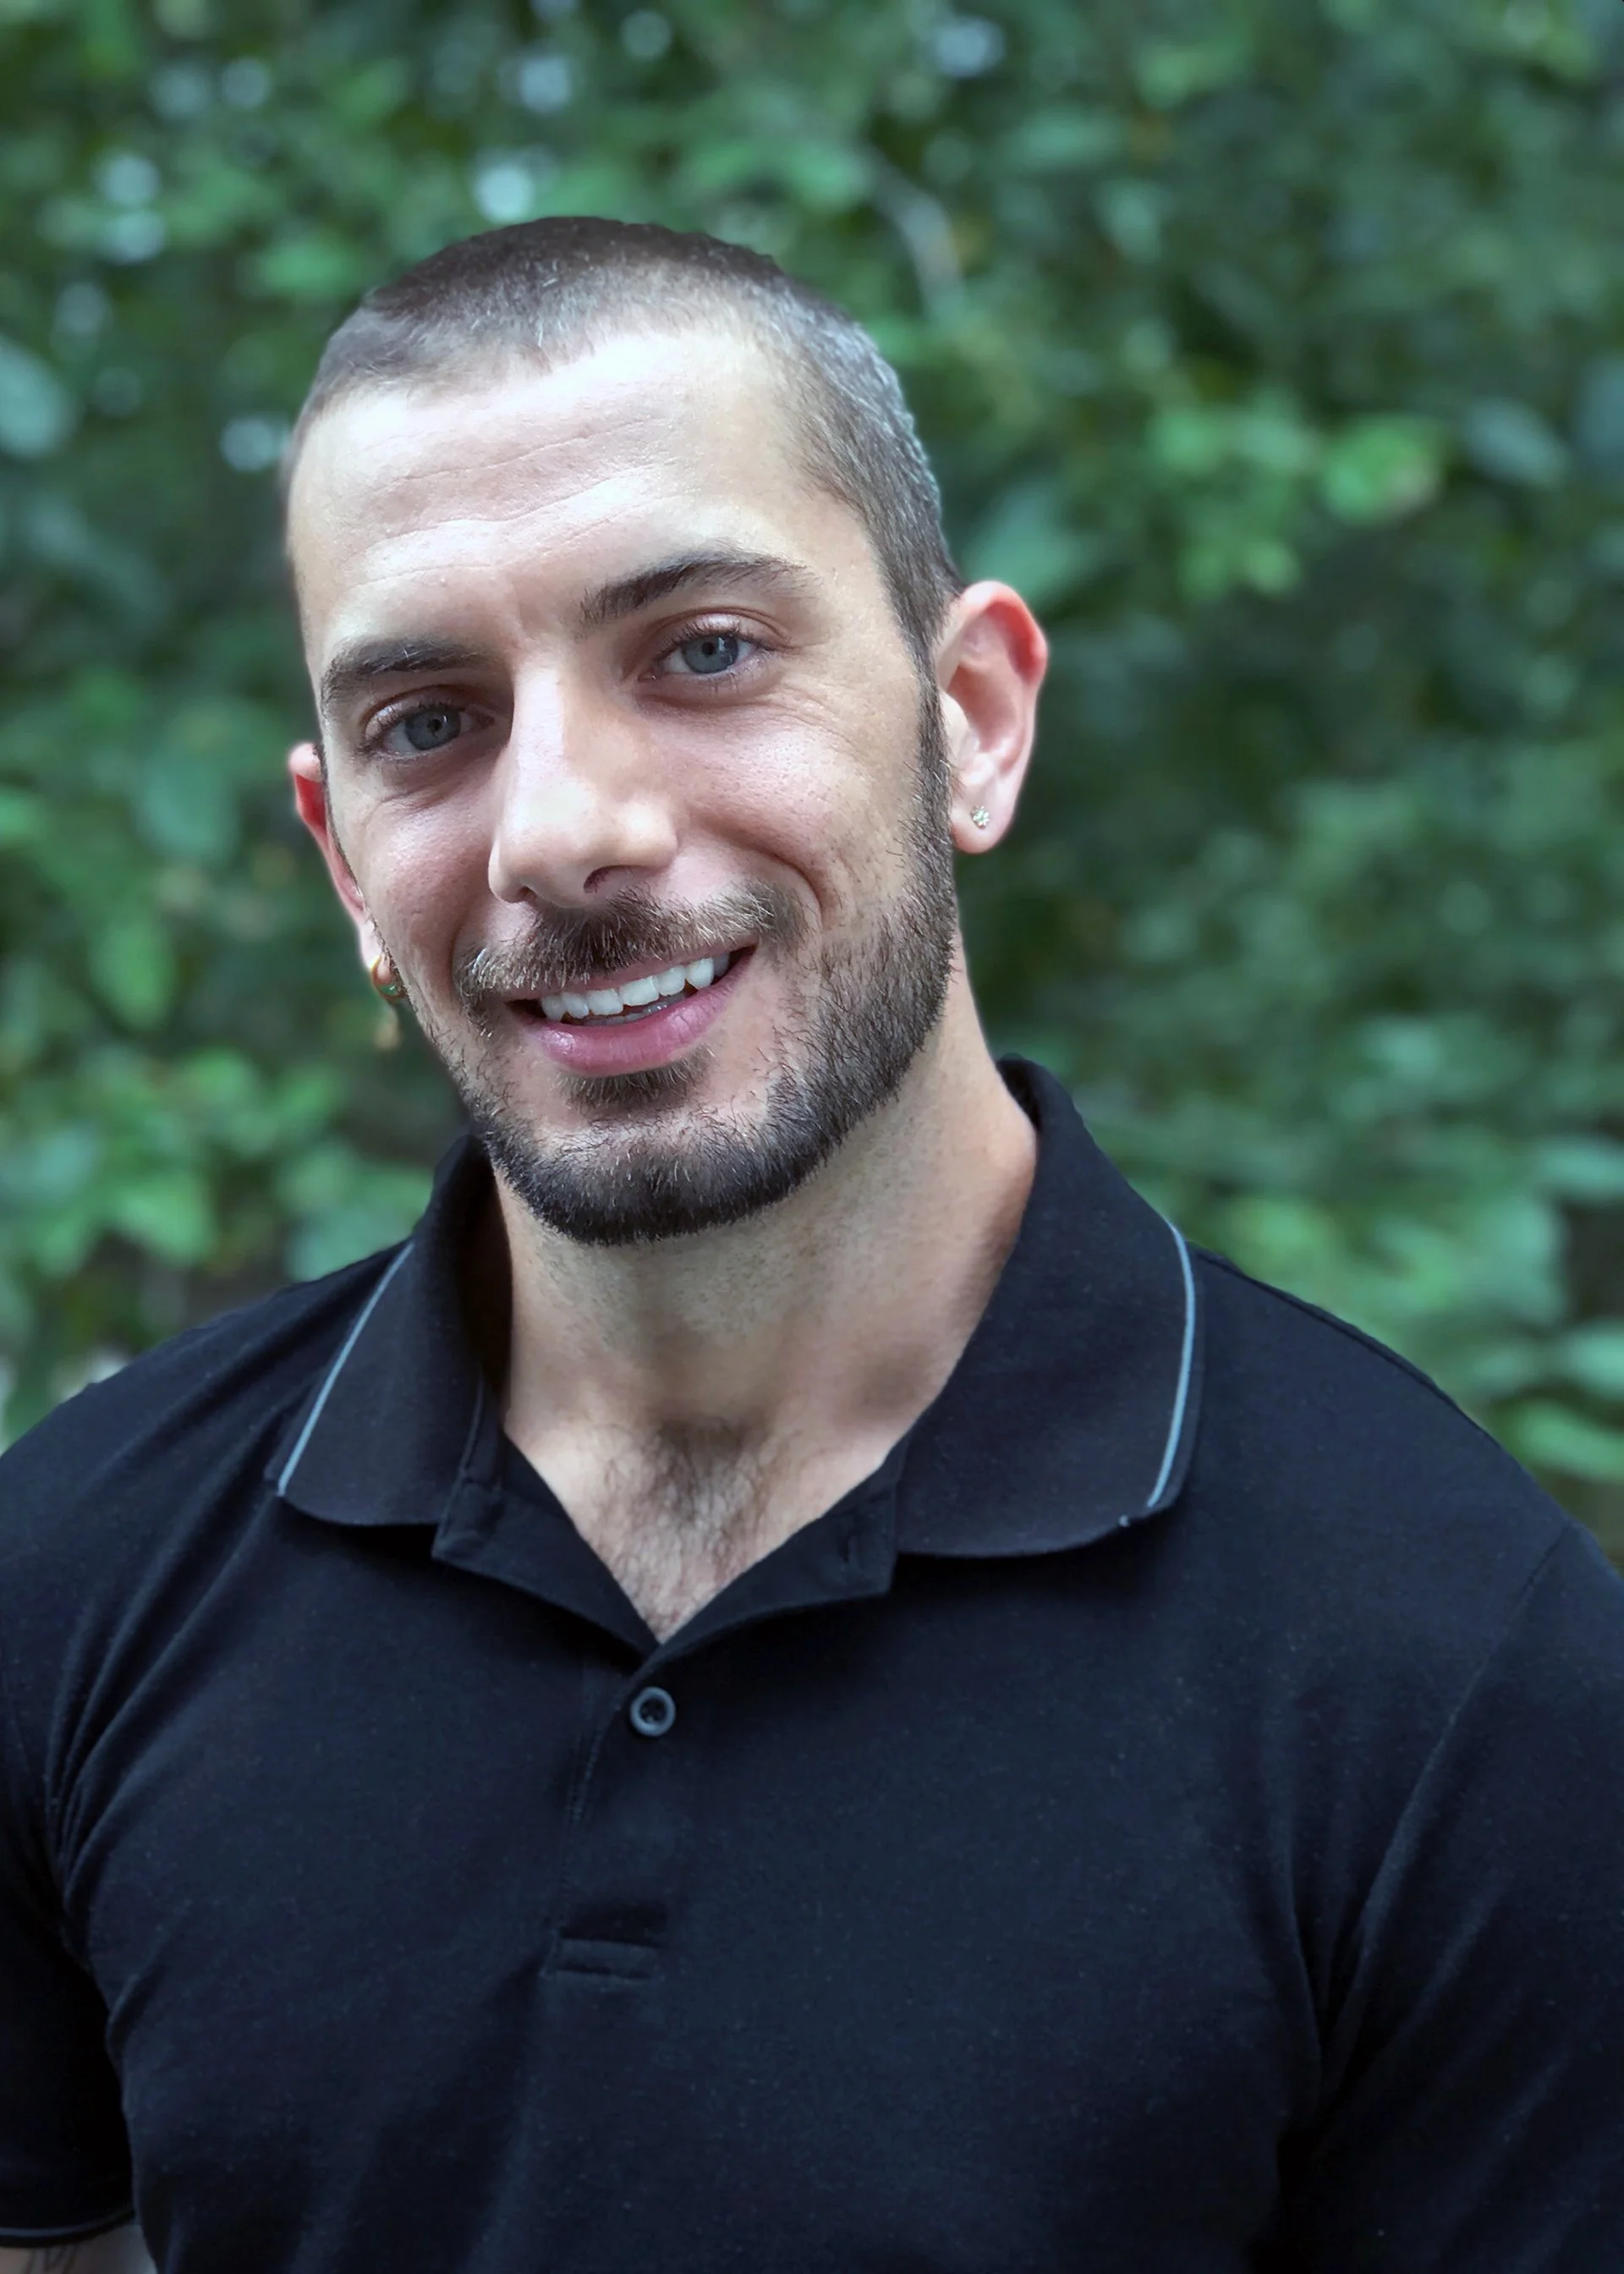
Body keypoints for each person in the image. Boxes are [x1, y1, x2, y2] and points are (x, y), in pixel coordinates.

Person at [3, 218, 1622, 2274]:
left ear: (973, 719)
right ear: (341, 855)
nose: (562, 832)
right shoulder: (68, 1578)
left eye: (701, 652)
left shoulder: (1462, 1671)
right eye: (431, 718)